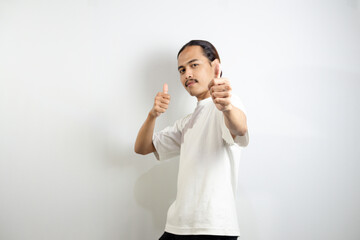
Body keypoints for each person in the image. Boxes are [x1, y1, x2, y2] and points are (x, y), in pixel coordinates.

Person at [134, 40, 249, 240]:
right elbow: (142, 147)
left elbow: (239, 128)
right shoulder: (186, 123)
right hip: (178, 226)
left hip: (212, 228)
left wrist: (227, 107)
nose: (187, 74)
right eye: (181, 69)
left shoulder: (226, 105)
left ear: (215, 67)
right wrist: (153, 115)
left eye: (194, 65)